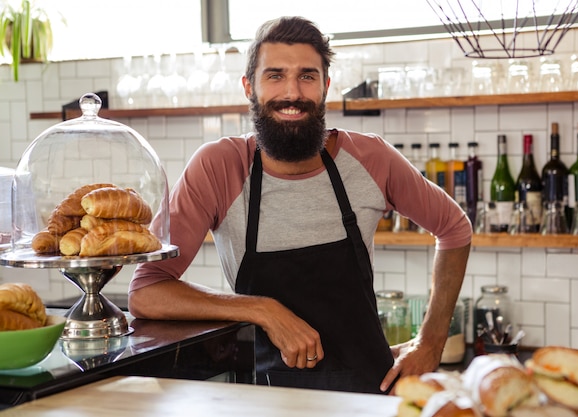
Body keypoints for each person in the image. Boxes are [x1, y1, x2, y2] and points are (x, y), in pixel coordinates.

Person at [129, 16, 472, 395]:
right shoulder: (219, 166)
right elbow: (147, 291)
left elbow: (455, 228)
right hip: (263, 396)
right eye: (275, 75)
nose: (292, 93)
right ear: (249, 87)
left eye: (307, 76)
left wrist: (431, 341)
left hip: (369, 397)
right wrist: (262, 310)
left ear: (325, 86)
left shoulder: (371, 158)